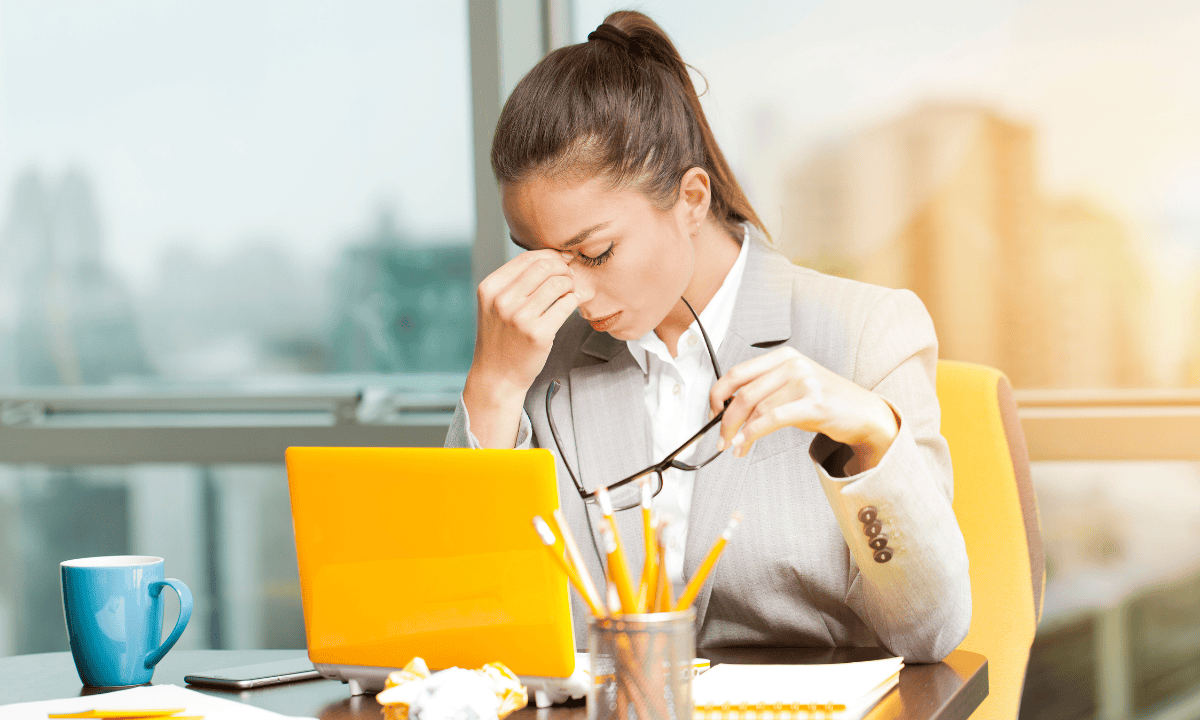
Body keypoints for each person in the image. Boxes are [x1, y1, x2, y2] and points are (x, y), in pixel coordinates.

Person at [446, 10, 970, 663]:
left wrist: (871, 436)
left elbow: (929, 630)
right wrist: (493, 388)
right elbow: (466, 625)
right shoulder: (533, 359)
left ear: (692, 199)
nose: (570, 292)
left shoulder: (867, 330)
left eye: (596, 252)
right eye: (541, 258)